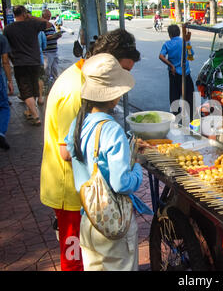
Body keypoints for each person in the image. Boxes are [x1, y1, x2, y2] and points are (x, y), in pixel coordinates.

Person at [40, 29, 141, 271]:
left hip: (85, 199)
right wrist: (130, 163)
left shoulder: (86, 90)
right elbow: (67, 151)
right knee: (74, 264)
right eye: (123, 72)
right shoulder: (76, 91)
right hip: (77, 197)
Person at [64, 53, 150, 271]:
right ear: (113, 95)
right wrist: (138, 165)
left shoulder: (79, 121)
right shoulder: (111, 129)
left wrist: (128, 149)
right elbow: (122, 183)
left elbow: (82, 155)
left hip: (89, 221)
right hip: (113, 224)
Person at [3, 5, 52, 126]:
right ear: (24, 13)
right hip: (35, 61)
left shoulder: (8, 29)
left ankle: (35, 115)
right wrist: (32, 17)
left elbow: (6, 47)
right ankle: (31, 112)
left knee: (26, 90)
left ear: (14, 15)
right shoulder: (32, 24)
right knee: (34, 87)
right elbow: (48, 24)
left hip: (20, 62)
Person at [159, 24, 195, 120]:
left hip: (173, 74)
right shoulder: (185, 42)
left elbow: (161, 56)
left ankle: (176, 119)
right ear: (179, 33)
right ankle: (192, 119)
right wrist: (188, 42)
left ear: (169, 34)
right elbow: (191, 57)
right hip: (186, 74)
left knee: (174, 97)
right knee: (189, 98)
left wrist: (171, 65)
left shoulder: (167, 44)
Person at [0, 34, 13, 150]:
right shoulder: (1, 38)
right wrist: (9, 81)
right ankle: (1, 133)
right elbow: (5, 61)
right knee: (4, 106)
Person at [42, 9, 62, 84]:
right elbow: (42, 38)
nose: (49, 18)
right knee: (46, 69)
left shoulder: (51, 25)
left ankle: (54, 84)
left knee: (55, 69)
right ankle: (46, 84)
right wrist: (51, 37)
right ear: (43, 16)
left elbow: (53, 35)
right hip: (46, 52)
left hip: (54, 50)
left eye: (50, 16)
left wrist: (57, 36)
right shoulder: (41, 25)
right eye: (47, 16)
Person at [37, 30, 47, 105]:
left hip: (26, 59)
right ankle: (40, 98)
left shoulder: (22, 30)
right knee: (39, 78)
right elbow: (44, 46)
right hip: (38, 58)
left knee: (30, 80)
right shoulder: (40, 32)